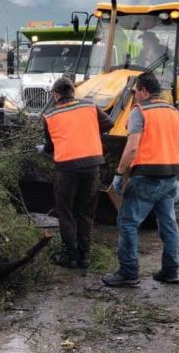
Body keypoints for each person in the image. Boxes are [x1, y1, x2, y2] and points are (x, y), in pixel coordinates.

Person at [103, 72, 179, 287]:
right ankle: (170, 271)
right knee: (168, 224)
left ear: (144, 91)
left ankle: (128, 272)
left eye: (136, 91)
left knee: (127, 222)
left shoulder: (140, 112)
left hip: (147, 177)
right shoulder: (174, 112)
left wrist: (119, 174)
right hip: (170, 177)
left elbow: (132, 148)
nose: (135, 96)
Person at [42, 78, 114, 269]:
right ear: (73, 91)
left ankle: (71, 257)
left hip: (66, 169)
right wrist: (88, 131)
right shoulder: (89, 106)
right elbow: (109, 123)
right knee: (86, 212)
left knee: (66, 213)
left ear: (55, 94)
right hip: (92, 167)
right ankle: (85, 256)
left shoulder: (49, 115)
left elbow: (50, 147)